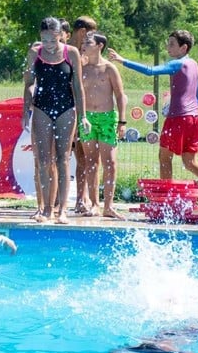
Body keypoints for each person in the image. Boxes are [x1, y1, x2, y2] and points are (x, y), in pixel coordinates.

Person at [108, 31, 198, 214]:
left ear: (183, 47)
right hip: (195, 118)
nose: (167, 47)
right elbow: (197, 96)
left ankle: (168, 202)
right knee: (190, 162)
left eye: (171, 44)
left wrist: (122, 60)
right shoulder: (194, 64)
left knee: (165, 158)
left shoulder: (177, 63)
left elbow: (149, 71)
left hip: (178, 119)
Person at [22, 17, 90, 224]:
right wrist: (26, 110)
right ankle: (46, 209)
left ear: (61, 35)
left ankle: (62, 210)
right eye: (45, 39)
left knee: (62, 159)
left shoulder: (71, 53)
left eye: (52, 39)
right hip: (42, 108)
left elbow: (77, 86)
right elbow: (28, 84)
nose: (49, 44)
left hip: (66, 110)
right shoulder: (35, 52)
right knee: (43, 161)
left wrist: (83, 116)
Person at [79, 32, 127, 218]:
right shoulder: (81, 68)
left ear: (99, 46)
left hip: (107, 118)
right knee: (91, 162)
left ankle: (108, 205)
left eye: (88, 42)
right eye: (83, 42)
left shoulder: (109, 69)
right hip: (87, 119)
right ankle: (94, 204)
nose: (83, 45)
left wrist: (122, 121)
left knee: (111, 163)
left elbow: (120, 95)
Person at [70, 16, 99, 214]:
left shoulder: (83, 52)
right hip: (69, 109)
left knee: (83, 157)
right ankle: (57, 200)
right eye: (90, 34)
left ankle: (82, 198)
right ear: (82, 32)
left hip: (82, 111)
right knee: (63, 158)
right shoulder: (72, 53)